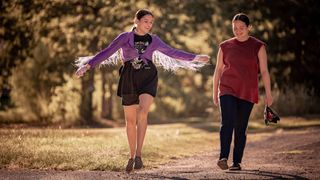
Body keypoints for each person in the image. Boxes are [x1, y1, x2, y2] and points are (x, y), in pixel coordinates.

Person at [75, 9, 209, 173]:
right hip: (129, 77)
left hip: (148, 76)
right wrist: (87, 65)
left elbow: (172, 52)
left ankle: (139, 154)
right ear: (136, 21)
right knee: (130, 121)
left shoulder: (154, 40)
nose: (149, 24)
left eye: (151, 22)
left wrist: (195, 57)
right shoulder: (125, 37)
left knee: (143, 112)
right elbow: (107, 52)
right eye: (146, 21)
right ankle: (131, 156)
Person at [212, 13, 273, 171]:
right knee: (227, 123)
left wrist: (269, 94)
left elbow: (265, 71)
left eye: (241, 28)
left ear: (249, 28)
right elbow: (218, 70)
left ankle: (236, 162)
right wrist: (214, 92)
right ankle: (223, 157)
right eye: (235, 28)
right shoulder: (224, 46)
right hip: (227, 89)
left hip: (248, 91)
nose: (238, 31)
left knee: (240, 127)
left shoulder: (258, 46)